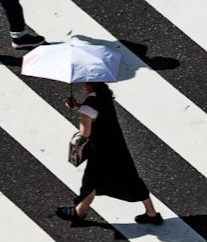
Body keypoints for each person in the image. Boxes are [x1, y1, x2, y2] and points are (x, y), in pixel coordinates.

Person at [56, 82, 162, 225]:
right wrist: (78, 107)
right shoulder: (104, 95)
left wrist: (81, 116)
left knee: (90, 183)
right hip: (116, 144)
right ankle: (151, 213)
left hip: (100, 151)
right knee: (131, 178)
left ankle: (78, 213)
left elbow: (85, 133)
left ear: (88, 83)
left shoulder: (90, 104)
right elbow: (95, 112)